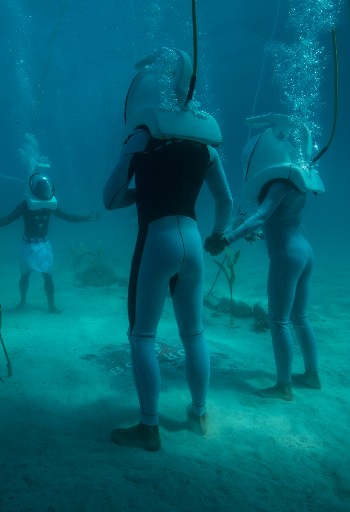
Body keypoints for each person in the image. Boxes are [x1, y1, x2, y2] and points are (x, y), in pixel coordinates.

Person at [104, 48, 233, 451]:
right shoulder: (206, 147)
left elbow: (110, 197)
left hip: (156, 240)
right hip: (193, 239)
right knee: (194, 333)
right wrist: (218, 234)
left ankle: (149, 427)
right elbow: (225, 202)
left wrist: (143, 193)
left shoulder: (143, 135)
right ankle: (199, 414)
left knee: (142, 335)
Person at [205, 113, 324, 401]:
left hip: (286, 254)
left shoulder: (278, 182)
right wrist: (253, 234)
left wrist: (225, 239)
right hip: (303, 249)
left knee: (279, 320)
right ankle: (311, 374)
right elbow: (275, 221)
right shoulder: (298, 179)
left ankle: (283, 386)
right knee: (300, 316)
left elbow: (261, 216)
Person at [0, 170, 99, 314]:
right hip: (28, 245)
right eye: (42, 190)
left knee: (47, 275)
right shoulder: (26, 205)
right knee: (25, 275)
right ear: (35, 190)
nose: (44, 193)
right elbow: (8, 219)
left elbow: (68, 217)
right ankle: (23, 301)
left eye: (46, 190)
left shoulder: (49, 206)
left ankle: (51, 306)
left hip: (43, 245)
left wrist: (87, 218)